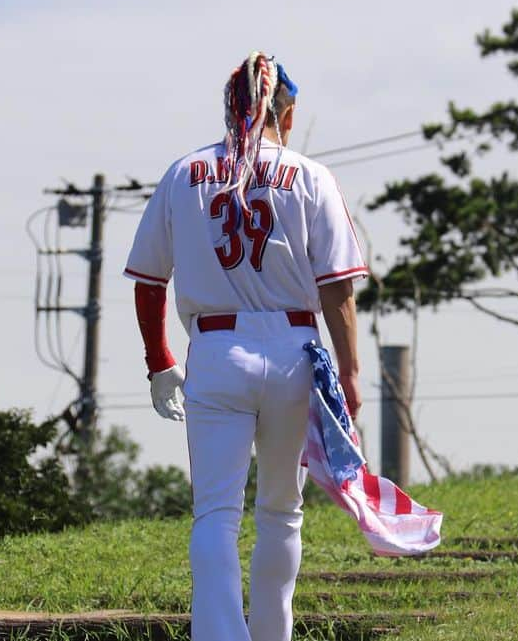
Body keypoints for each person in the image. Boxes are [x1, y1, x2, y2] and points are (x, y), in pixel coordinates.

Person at [123, 51, 367, 641]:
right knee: (282, 512)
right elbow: (337, 288)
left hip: (216, 349)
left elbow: (149, 280)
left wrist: (160, 362)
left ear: (229, 106)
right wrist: (352, 375)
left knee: (215, 514)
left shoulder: (184, 173)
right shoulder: (310, 175)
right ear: (288, 111)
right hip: (293, 349)